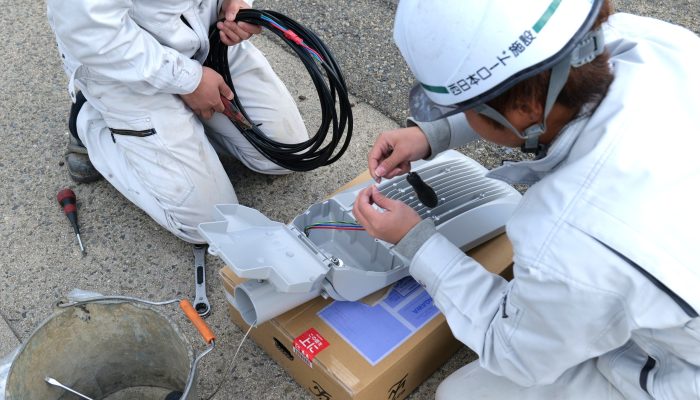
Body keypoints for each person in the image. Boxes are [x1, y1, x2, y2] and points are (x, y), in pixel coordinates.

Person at [353, 0, 700, 398]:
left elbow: (513, 352)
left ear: (525, 111)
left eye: (464, 109)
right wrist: (435, 134)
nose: (461, 116)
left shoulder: (568, 238)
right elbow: (540, 87)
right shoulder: (657, 43)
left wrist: (416, 243)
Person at [46, 0, 308, 243]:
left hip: (208, 34)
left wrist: (235, 4)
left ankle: (189, 125)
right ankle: (91, 117)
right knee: (209, 223)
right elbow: (91, 31)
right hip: (126, 67)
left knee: (285, 155)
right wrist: (188, 80)